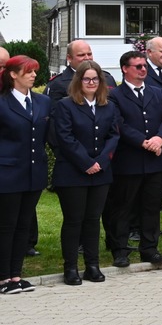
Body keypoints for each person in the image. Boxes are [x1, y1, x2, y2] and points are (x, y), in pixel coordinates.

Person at [51, 60, 120, 286]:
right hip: (72, 173)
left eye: (95, 79)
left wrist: (100, 161)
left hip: (100, 172)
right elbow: (65, 138)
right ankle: (70, 267)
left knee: (93, 220)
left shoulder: (108, 106)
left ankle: (92, 265)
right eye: (86, 79)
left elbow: (113, 136)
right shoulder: (65, 106)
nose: (91, 83)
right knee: (74, 220)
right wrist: (86, 162)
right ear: (78, 81)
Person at [105, 50, 162, 268]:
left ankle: (149, 249)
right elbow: (119, 124)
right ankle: (120, 250)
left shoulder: (156, 92)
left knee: (151, 207)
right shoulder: (115, 95)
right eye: (138, 66)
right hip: (129, 160)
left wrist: (160, 139)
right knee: (124, 207)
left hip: (154, 160)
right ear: (125, 69)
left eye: (144, 66)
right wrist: (144, 142)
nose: (143, 70)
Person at [0, 55, 51, 294]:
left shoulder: (42, 102)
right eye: (28, 72)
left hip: (34, 172)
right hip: (7, 173)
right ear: (13, 74)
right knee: (6, 226)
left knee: (23, 226)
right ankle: (3, 277)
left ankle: (16, 276)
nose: (33, 75)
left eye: (34, 72)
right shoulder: (2, 101)